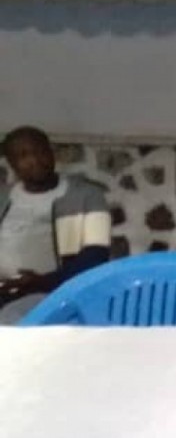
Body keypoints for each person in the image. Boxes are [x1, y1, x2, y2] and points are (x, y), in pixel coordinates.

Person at [0, 127, 111, 323]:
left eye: (40, 151)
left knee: (12, 319)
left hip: (52, 293)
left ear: (52, 153)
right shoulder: (4, 197)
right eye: (23, 155)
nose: (35, 160)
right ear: (12, 163)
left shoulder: (86, 196)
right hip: (4, 290)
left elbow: (96, 257)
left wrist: (41, 282)